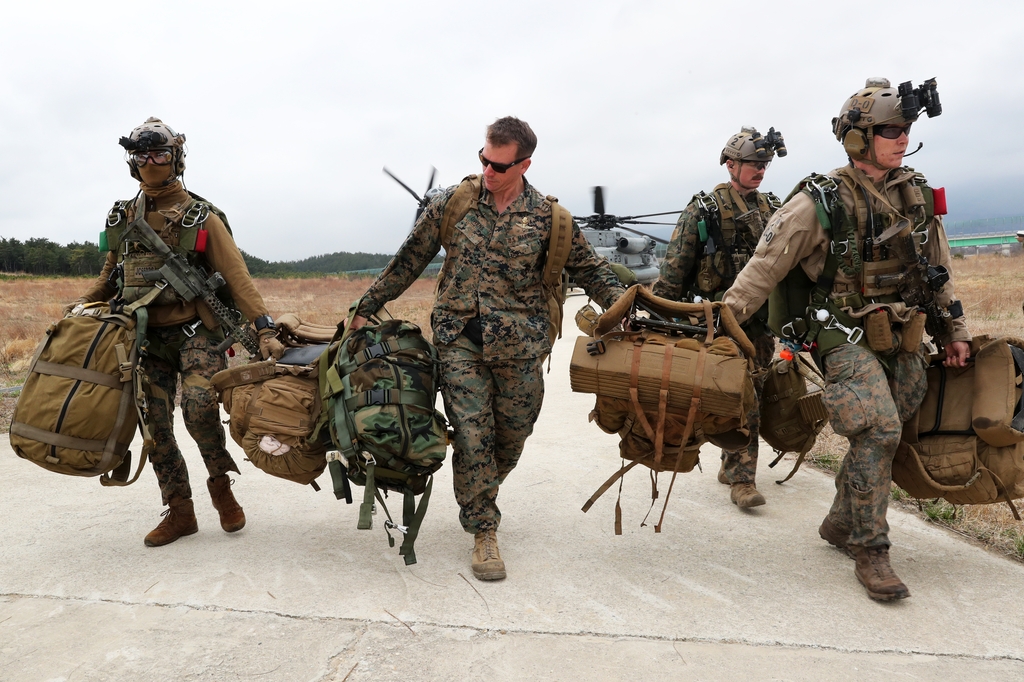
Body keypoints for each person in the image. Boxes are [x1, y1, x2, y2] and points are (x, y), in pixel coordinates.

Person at [722, 78, 971, 601]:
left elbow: (938, 266)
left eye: (905, 129)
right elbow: (763, 268)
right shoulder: (820, 200)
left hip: (902, 330)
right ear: (858, 137)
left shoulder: (916, 193)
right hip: (839, 329)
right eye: (889, 130)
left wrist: (956, 331)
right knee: (878, 428)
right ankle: (870, 548)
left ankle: (839, 521)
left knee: (896, 422)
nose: (902, 138)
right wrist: (721, 325)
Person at [350, 116, 626, 580]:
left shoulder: (550, 219)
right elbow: (408, 261)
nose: (489, 171)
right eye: (484, 160)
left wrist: (627, 311)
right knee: (472, 432)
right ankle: (483, 528)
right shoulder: (453, 204)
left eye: (500, 165)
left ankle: (479, 486)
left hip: (522, 347)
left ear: (525, 164)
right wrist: (365, 305)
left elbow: (591, 271)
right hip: (459, 342)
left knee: (512, 437)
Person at [66, 117, 283, 547]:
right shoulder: (122, 216)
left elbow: (237, 277)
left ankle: (220, 485)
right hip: (143, 339)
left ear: (176, 159)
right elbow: (112, 272)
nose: (150, 163)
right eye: (141, 155)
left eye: (159, 154)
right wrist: (82, 306)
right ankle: (180, 511)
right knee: (155, 428)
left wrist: (264, 329)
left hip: (197, 334)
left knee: (200, 410)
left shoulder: (201, 216)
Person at [652, 126, 786, 509]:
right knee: (742, 400)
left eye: (764, 163)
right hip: (716, 324)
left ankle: (732, 464)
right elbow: (674, 273)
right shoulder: (703, 210)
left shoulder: (773, 209)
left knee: (753, 394)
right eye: (752, 163)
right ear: (731, 164)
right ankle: (743, 480)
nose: (760, 170)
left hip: (759, 325)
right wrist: (661, 323)